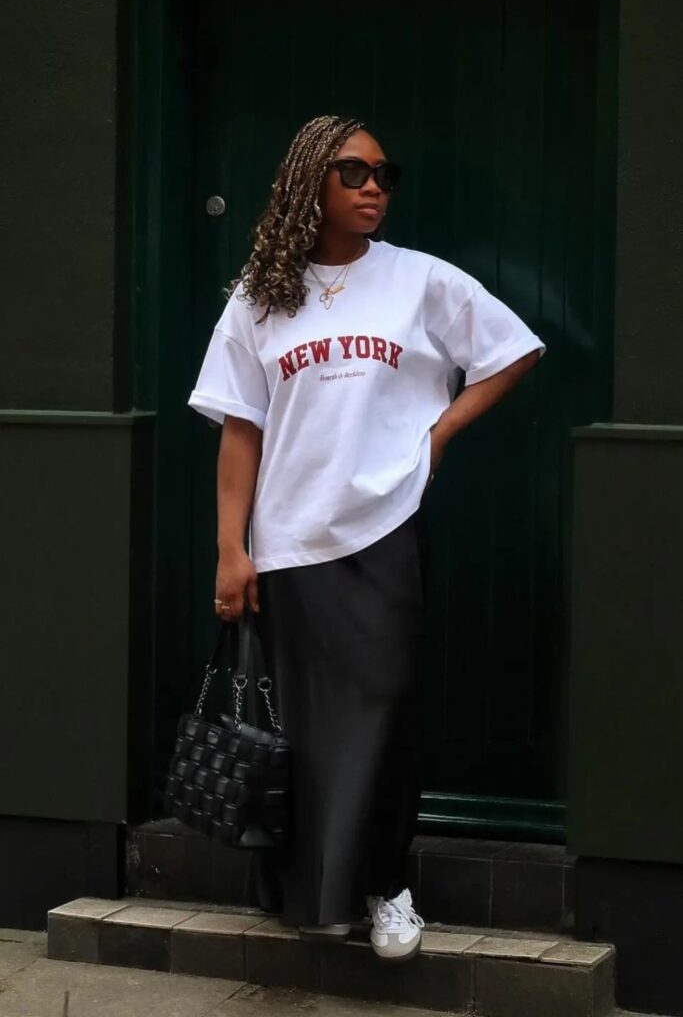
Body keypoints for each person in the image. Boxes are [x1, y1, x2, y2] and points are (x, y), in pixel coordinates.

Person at [188, 114, 546, 962]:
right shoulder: (259, 294)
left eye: (385, 174)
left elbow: (511, 350)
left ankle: (388, 890)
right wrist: (230, 549)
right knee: (301, 731)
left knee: (385, 711)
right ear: (308, 179)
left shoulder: (421, 282)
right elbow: (240, 430)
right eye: (353, 172)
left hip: (382, 528)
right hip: (286, 541)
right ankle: (304, 893)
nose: (374, 187)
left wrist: (437, 434)